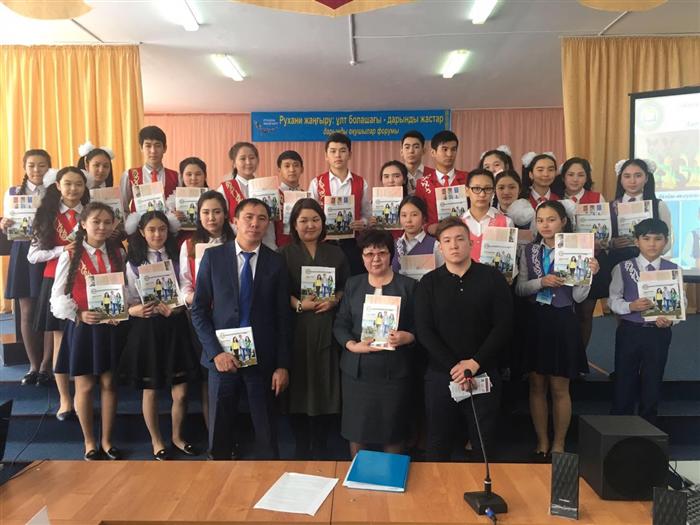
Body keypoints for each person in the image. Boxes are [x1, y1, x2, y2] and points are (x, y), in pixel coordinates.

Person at [191, 198, 291, 460]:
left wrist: (282, 365)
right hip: (222, 358)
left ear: (267, 224)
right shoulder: (213, 257)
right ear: (234, 220)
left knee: (266, 434)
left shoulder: (276, 262)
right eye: (248, 217)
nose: (254, 223)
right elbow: (198, 310)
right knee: (219, 434)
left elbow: (283, 317)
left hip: (263, 360)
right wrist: (215, 353)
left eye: (261, 218)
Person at [415, 217, 512, 461]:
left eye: (460, 239)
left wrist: (475, 363)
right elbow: (424, 331)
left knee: (484, 443)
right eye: (447, 241)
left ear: (471, 243)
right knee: (438, 442)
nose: (454, 245)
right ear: (440, 247)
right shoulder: (428, 283)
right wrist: (455, 367)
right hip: (441, 374)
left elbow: (503, 325)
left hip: (483, 371)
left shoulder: (493, 278)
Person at [515, 201, 599, 458]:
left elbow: (580, 297)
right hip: (536, 322)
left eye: (551, 219)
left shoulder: (577, 249)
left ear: (563, 222)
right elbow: (520, 289)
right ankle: (542, 441)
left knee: (560, 388)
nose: (545, 225)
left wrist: (589, 275)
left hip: (563, 320)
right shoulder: (530, 250)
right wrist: (541, 282)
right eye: (540, 220)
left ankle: (559, 443)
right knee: (536, 385)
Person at [119, 210, 201, 460]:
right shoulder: (133, 261)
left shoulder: (177, 256)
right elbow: (127, 298)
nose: (157, 234)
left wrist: (177, 307)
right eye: (152, 230)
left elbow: (186, 286)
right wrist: (134, 310)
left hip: (175, 325)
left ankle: (177, 436)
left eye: (162, 229)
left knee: (181, 391)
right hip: (147, 328)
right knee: (151, 389)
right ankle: (156, 441)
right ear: (142, 232)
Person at [50, 202, 126, 460]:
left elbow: (126, 288)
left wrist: (122, 309)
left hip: (111, 327)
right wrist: (79, 314)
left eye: (107, 222)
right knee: (84, 386)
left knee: (109, 384)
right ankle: (89, 442)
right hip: (84, 328)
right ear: (83, 224)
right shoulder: (70, 254)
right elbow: (57, 296)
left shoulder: (118, 253)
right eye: (96, 221)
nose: (102, 227)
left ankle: (107, 440)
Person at [333, 228, 417, 457]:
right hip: (357, 372)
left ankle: (391, 477)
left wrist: (408, 337)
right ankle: (359, 477)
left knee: (392, 431)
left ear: (391, 255)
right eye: (369, 254)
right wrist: (351, 345)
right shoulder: (353, 284)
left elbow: (421, 327)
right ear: (362, 257)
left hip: (394, 373)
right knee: (357, 431)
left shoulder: (409, 286)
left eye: (382, 253)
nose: (376, 259)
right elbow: (340, 324)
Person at [280, 198, 350, 459]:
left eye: (315, 220)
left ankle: (321, 444)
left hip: (326, 327)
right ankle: (301, 445)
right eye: (303, 221)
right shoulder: (283, 254)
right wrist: (299, 305)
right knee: (299, 385)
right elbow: (278, 292)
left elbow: (346, 287)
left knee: (324, 383)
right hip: (296, 328)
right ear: (294, 225)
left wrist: (334, 300)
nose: (310, 225)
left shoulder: (336, 253)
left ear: (323, 222)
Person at [29, 166, 90, 419]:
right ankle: (65, 398)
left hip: (87, 280)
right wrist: (62, 250)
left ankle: (83, 394)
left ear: (85, 187)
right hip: (55, 281)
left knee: (84, 339)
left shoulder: (91, 213)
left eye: (78, 184)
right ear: (58, 186)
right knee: (60, 341)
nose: (73, 189)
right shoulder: (47, 215)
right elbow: (33, 255)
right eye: (68, 183)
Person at [608, 219, 680, 424]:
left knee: (653, 377)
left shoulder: (673, 269)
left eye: (658, 239)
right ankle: (620, 422)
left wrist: (670, 320)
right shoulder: (623, 267)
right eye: (646, 238)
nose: (652, 244)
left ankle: (649, 423)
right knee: (624, 376)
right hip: (630, 330)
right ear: (636, 241)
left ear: (666, 242)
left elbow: (680, 301)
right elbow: (613, 300)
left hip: (658, 332)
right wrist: (631, 306)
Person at [1, 149, 50, 386]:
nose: (36, 170)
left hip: (49, 253)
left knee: (50, 311)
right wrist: (4, 223)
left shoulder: (55, 191)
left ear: (49, 168)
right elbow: (6, 225)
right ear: (24, 167)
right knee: (27, 311)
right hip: (22, 253)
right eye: (31, 165)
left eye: (42, 165)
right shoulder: (12, 193)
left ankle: (46, 366)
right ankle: (33, 365)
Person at [309, 132, 371, 275]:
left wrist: (363, 222)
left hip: (353, 245)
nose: (338, 155)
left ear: (350, 154)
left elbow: (367, 214)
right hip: (325, 244)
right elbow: (310, 214)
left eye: (342, 151)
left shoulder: (361, 182)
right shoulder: (317, 183)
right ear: (326, 155)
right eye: (333, 151)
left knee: (354, 281)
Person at [414, 130, 469, 235]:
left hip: (463, 235)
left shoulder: (468, 178)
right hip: (433, 238)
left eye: (453, 149)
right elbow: (418, 213)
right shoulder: (423, 183)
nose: (449, 154)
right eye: (444, 149)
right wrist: (427, 227)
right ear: (433, 153)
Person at [120, 126, 180, 213]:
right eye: (148, 146)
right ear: (141, 148)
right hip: (138, 222)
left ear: (165, 148)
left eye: (157, 146)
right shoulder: (129, 175)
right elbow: (123, 208)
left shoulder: (176, 176)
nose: (153, 151)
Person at [461, 169, 513, 262]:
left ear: (493, 191)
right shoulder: (457, 223)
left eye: (488, 189)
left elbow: (509, 261)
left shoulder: (506, 222)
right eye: (476, 189)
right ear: (466, 191)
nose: (482, 194)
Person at [391, 196, 442, 273]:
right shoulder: (392, 246)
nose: (408, 220)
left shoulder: (436, 246)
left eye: (414, 215)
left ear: (424, 217)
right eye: (404, 215)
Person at [275, 150, 306, 249]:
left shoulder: (307, 196)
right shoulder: (273, 195)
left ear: (302, 169)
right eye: (287, 166)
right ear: (279, 170)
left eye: (296, 165)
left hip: (304, 247)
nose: (292, 169)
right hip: (279, 248)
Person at [399, 130, 436, 195]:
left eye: (416, 147)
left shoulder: (434, 175)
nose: (411, 151)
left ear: (423, 151)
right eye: (407, 147)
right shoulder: (397, 175)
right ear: (401, 152)